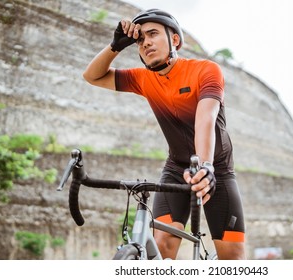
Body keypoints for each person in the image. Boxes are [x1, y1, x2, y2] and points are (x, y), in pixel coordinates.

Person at [83, 9, 245, 260]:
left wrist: (206, 167)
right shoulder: (142, 79)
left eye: (153, 34)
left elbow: (206, 118)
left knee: (232, 258)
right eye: (140, 39)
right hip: (176, 168)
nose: (146, 42)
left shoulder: (206, 70)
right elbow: (92, 76)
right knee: (163, 247)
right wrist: (115, 46)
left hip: (217, 169)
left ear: (175, 40)